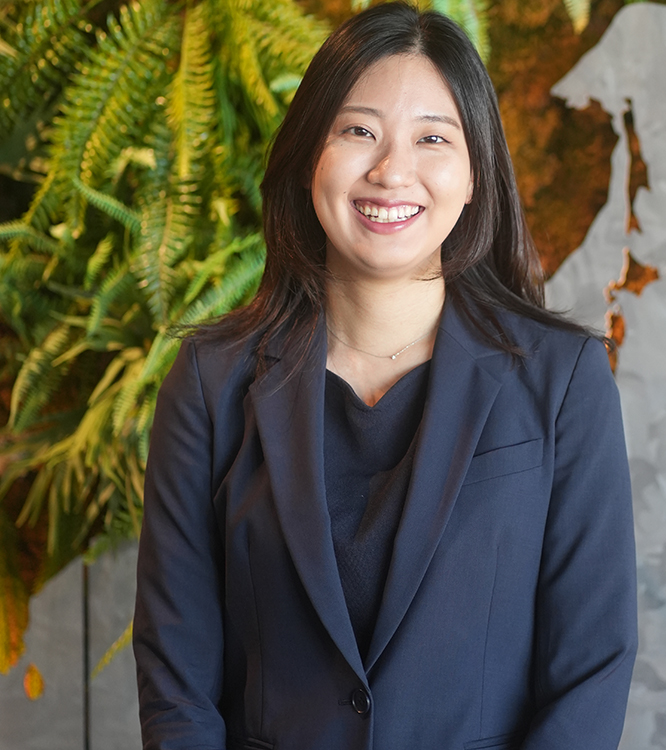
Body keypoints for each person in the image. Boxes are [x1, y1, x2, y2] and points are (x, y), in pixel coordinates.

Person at [132, 3, 637, 749]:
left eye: (433, 138)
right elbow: (177, 685)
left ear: (473, 177)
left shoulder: (562, 384)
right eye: (358, 130)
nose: (391, 170)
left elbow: (591, 669)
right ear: (312, 158)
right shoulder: (212, 385)